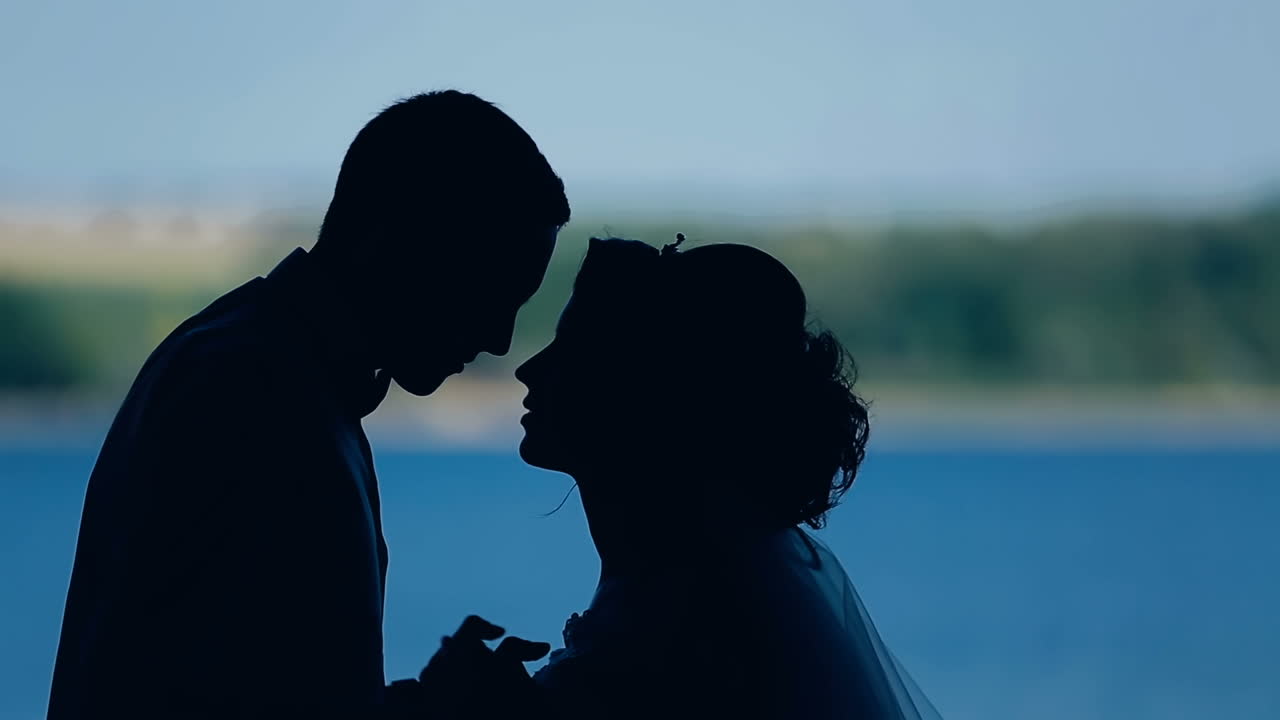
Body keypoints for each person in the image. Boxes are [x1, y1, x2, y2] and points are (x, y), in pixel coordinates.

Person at [47, 90, 568, 720]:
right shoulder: (253, 395)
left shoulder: (251, 364)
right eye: (490, 290)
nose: (499, 339)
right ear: (397, 238)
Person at [508, 235, 944, 719]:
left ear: (650, 392)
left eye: (574, 349)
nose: (529, 369)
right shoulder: (707, 585)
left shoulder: (670, 637)